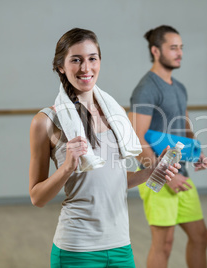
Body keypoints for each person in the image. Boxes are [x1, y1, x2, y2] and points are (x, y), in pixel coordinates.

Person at [29, 28, 180, 268]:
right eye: (76, 60)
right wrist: (67, 167)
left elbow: (113, 179)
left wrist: (149, 173)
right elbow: (37, 197)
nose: (85, 68)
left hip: (121, 246)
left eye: (92, 58)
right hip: (77, 249)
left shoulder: (116, 114)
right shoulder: (46, 121)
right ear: (60, 66)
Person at [128, 25, 207, 268]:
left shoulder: (179, 87)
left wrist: (197, 152)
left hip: (180, 172)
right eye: (173, 48)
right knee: (164, 243)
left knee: (200, 236)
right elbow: (137, 138)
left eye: (181, 48)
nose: (179, 53)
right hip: (157, 176)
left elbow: (184, 124)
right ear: (155, 50)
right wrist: (164, 175)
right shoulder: (146, 88)